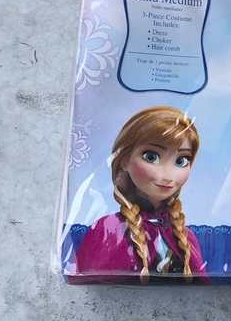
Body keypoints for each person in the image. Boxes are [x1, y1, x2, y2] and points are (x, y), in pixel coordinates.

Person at [71, 106, 210, 284]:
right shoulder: (108, 229)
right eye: (151, 157)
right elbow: (85, 284)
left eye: (181, 161)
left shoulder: (185, 236)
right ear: (124, 160)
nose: (168, 176)